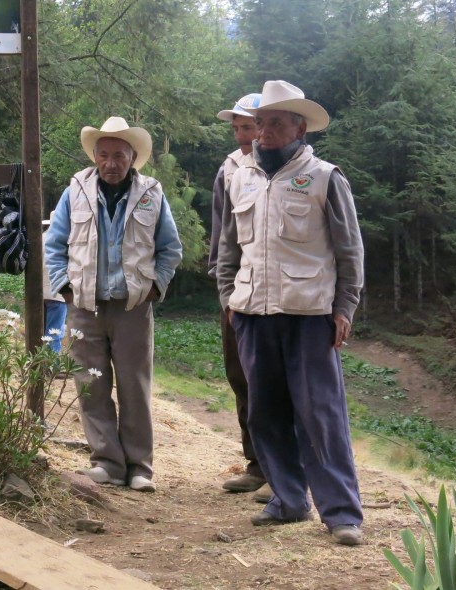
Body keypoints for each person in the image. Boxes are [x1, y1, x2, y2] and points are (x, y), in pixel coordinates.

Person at [216, 80, 366, 547]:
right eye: (261, 123)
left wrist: (345, 307)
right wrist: (228, 298)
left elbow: (349, 251)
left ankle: (342, 513)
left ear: (299, 128)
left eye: (276, 123)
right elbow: (226, 246)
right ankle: (287, 499)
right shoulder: (240, 176)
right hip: (253, 314)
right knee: (265, 412)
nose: (264, 132)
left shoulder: (324, 177)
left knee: (320, 415)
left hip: (309, 314)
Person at [45, 117, 183, 493]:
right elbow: (54, 245)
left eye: (118, 155)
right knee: (91, 385)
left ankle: (140, 466)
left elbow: (170, 248)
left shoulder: (151, 193)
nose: (110, 163)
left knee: (134, 386)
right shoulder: (75, 190)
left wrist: (155, 287)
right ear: (94, 156)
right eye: (103, 154)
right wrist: (67, 289)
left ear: (133, 157)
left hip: (132, 307)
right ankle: (106, 462)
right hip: (84, 307)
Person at [208, 93, 271, 501]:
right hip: (238, 291)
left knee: (278, 382)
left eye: (247, 126)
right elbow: (221, 235)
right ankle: (256, 465)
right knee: (241, 377)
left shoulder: (295, 170)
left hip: (283, 295)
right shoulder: (228, 170)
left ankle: (287, 469)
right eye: (236, 128)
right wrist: (223, 292)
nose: (242, 135)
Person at [41, 217, 66, 352]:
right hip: (57, 293)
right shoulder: (63, 240)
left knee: (41, 331)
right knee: (55, 333)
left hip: (40, 292)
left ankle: (38, 362)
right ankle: (51, 366)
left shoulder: (40, 239)